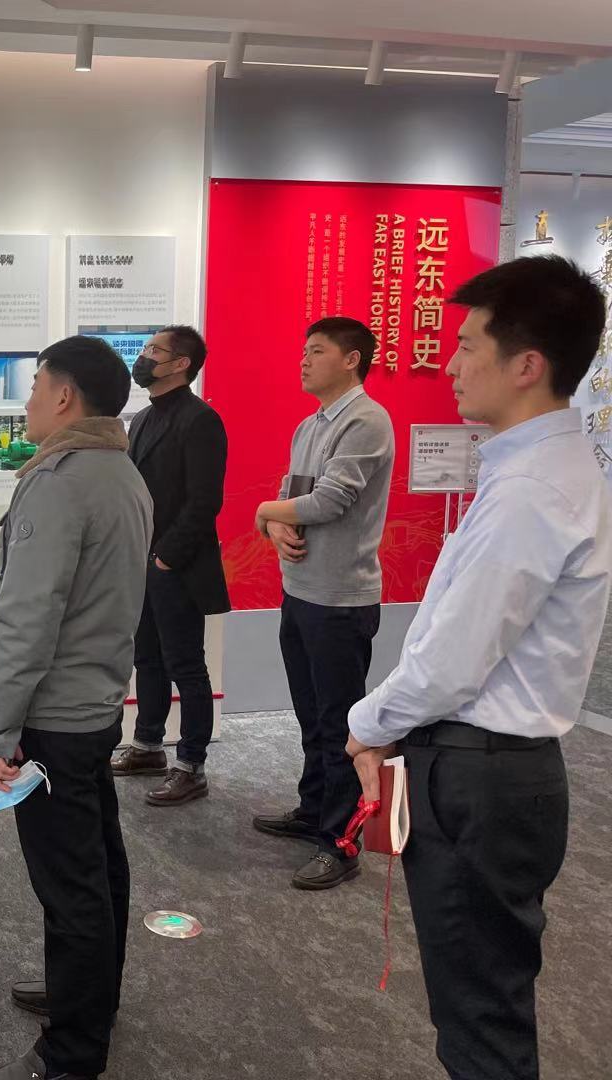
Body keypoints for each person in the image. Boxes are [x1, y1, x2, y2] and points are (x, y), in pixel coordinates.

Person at [347, 256, 611, 1080]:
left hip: (482, 775)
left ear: (526, 365)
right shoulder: (536, 471)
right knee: (480, 1001)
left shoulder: (533, 487)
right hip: (491, 770)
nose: (451, 363)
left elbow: (453, 660)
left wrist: (365, 726)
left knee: (480, 1021)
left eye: (467, 346)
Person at [0, 335, 151, 1080]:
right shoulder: (121, 471)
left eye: (35, 384)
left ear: (65, 395)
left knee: (70, 883)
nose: (27, 400)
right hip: (95, 703)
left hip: (53, 716)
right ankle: (90, 996)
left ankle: (72, 1054)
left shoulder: (59, 482)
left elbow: (27, 616)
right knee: (98, 862)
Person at [252, 316, 393, 890]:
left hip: (340, 599)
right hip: (301, 592)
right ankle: (314, 810)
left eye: (316, 351)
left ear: (352, 358)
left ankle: (342, 841)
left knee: (339, 724)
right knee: (311, 715)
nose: (304, 360)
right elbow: (293, 498)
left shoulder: (366, 420)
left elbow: (330, 501)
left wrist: (265, 512)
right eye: (304, 350)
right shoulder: (310, 424)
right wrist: (272, 525)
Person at [109, 325, 231, 804]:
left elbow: (204, 502)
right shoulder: (141, 418)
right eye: (145, 348)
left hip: (177, 565)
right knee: (147, 658)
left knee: (186, 665)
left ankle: (191, 764)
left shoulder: (201, 420)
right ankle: (147, 745)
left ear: (181, 364)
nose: (143, 356)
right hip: (142, 561)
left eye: (154, 350)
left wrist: (165, 557)